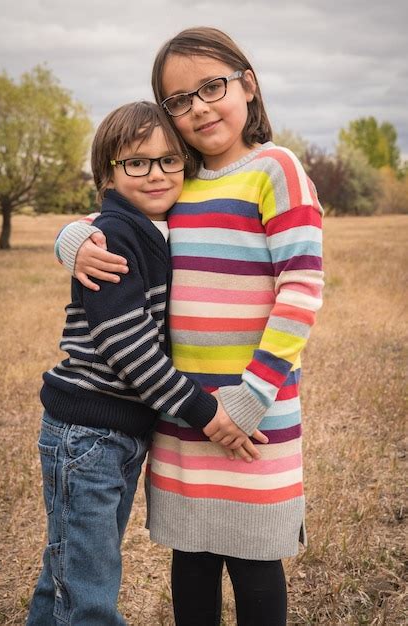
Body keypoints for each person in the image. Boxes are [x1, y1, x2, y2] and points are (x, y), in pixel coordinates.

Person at [54, 27, 324, 626]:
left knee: (256, 562)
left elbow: (301, 290)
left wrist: (252, 398)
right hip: (180, 413)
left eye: (212, 86)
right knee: (192, 559)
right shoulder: (179, 181)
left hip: (253, 408)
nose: (198, 106)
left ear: (247, 85)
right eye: (179, 99)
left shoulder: (275, 169)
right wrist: (71, 241)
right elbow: (113, 217)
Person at [28, 100, 266, 626]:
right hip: (88, 430)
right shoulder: (113, 237)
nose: (156, 174)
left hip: (114, 433)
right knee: (88, 589)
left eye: (168, 161)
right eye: (137, 162)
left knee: (68, 568)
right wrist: (205, 412)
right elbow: (127, 346)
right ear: (108, 173)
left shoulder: (158, 227)